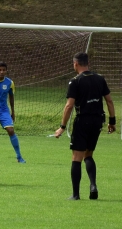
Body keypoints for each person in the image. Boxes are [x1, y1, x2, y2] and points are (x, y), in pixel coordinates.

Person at [54, 52, 116, 200]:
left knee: (76, 157)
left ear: (75, 64)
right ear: (87, 63)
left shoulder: (75, 81)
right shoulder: (100, 78)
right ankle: (93, 185)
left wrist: (62, 126)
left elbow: (69, 106)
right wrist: (112, 122)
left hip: (83, 121)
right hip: (98, 121)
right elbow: (109, 101)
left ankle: (75, 195)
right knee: (89, 154)